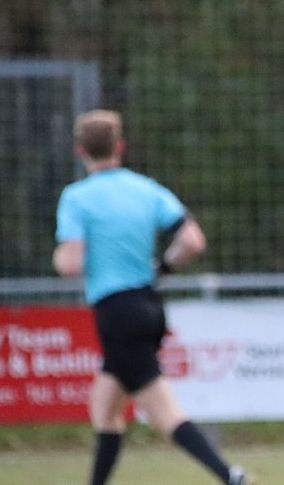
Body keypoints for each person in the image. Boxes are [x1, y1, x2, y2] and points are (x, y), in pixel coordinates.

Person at [53, 110, 252, 485]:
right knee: (104, 408)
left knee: (164, 414)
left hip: (116, 312)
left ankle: (230, 476)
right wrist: (163, 267)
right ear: (120, 147)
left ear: (80, 151)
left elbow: (70, 263)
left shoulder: (76, 198)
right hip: (150, 305)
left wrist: (62, 256)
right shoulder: (147, 189)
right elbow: (192, 240)